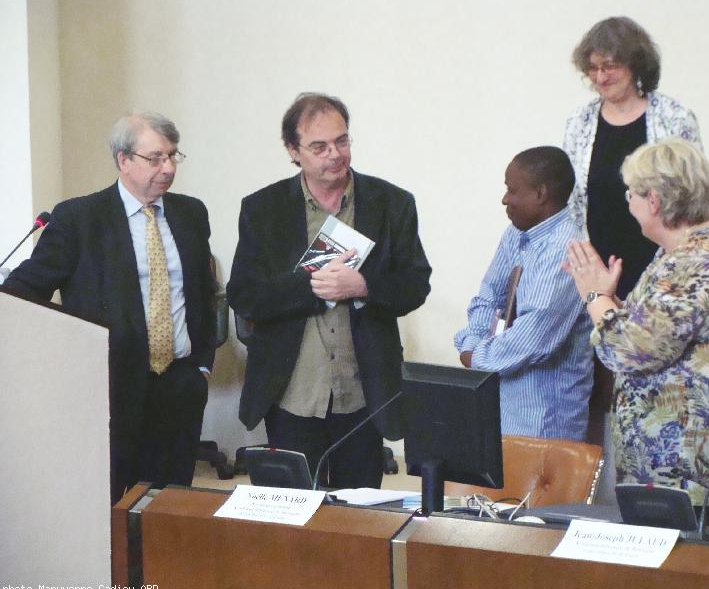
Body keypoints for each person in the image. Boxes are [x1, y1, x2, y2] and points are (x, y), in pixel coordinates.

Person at [4, 112, 217, 503]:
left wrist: (202, 364)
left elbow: (204, 290)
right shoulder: (80, 217)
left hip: (179, 385)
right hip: (110, 385)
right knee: (108, 504)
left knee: (170, 505)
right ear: (123, 160)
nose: (168, 168)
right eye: (155, 158)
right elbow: (28, 287)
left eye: (173, 156)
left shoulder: (191, 213)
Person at [564, 138, 709, 528]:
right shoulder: (685, 252)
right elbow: (664, 335)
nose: (629, 203)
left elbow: (629, 350)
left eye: (631, 194)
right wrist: (614, 301)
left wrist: (594, 296)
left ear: (655, 201)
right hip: (678, 467)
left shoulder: (701, 259)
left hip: (694, 470)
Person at [227, 92, 431, 489]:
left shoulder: (392, 204)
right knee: (297, 520)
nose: (334, 154)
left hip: (364, 390)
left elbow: (415, 284)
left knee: (360, 519)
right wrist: (312, 286)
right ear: (293, 150)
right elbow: (244, 294)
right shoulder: (263, 209)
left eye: (342, 141)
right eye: (319, 146)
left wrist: (363, 285)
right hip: (293, 393)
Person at [454, 146, 593, 440]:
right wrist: (473, 339)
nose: (505, 199)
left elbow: (531, 340)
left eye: (512, 190)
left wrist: (474, 357)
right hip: (501, 403)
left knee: (532, 489)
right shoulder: (518, 231)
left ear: (541, 194)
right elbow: (488, 295)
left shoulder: (567, 248)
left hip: (545, 419)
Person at [564, 16, 702, 299]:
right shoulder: (580, 121)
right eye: (592, 68)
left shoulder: (675, 118)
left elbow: (693, 199)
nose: (600, 77)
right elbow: (573, 201)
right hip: (598, 269)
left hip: (664, 271)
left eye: (609, 66)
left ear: (635, 64)